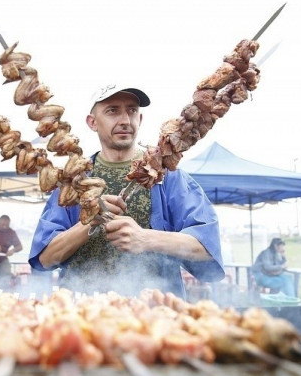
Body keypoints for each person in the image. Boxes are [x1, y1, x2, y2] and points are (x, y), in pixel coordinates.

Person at [28, 84, 224, 298]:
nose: (125, 120)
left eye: (132, 111)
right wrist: (90, 222)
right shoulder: (76, 180)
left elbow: (207, 249)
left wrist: (145, 239)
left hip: (156, 318)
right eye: (112, 111)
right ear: (92, 122)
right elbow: (44, 258)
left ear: (140, 119)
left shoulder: (167, 175)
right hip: (82, 316)